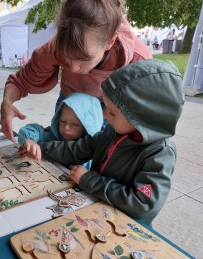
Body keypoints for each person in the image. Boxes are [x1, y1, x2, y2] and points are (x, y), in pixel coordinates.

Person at [38, 59, 185, 225]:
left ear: (140, 119)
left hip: (123, 226)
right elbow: (80, 149)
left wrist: (89, 180)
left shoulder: (160, 153)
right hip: (96, 208)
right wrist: (41, 148)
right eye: (105, 107)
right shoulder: (114, 130)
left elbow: (143, 203)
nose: (105, 116)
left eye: (113, 113)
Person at [0, 0, 152, 142]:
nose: (72, 68)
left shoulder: (139, 63)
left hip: (109, 110)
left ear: (110, 42)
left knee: (100, 152)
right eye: (65, 57)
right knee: (61, 146)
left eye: (83, 58)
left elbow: (142, 121)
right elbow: (20, 82)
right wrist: (7, 103)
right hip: (70, 101)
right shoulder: (53, 48)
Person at [18, 93, 103, 166]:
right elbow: (32, 129)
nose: (66, 127)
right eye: (62, 121)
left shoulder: (89, 155)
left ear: (87, 127)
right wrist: (29, 140)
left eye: (75, 124)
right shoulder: (53, 134)